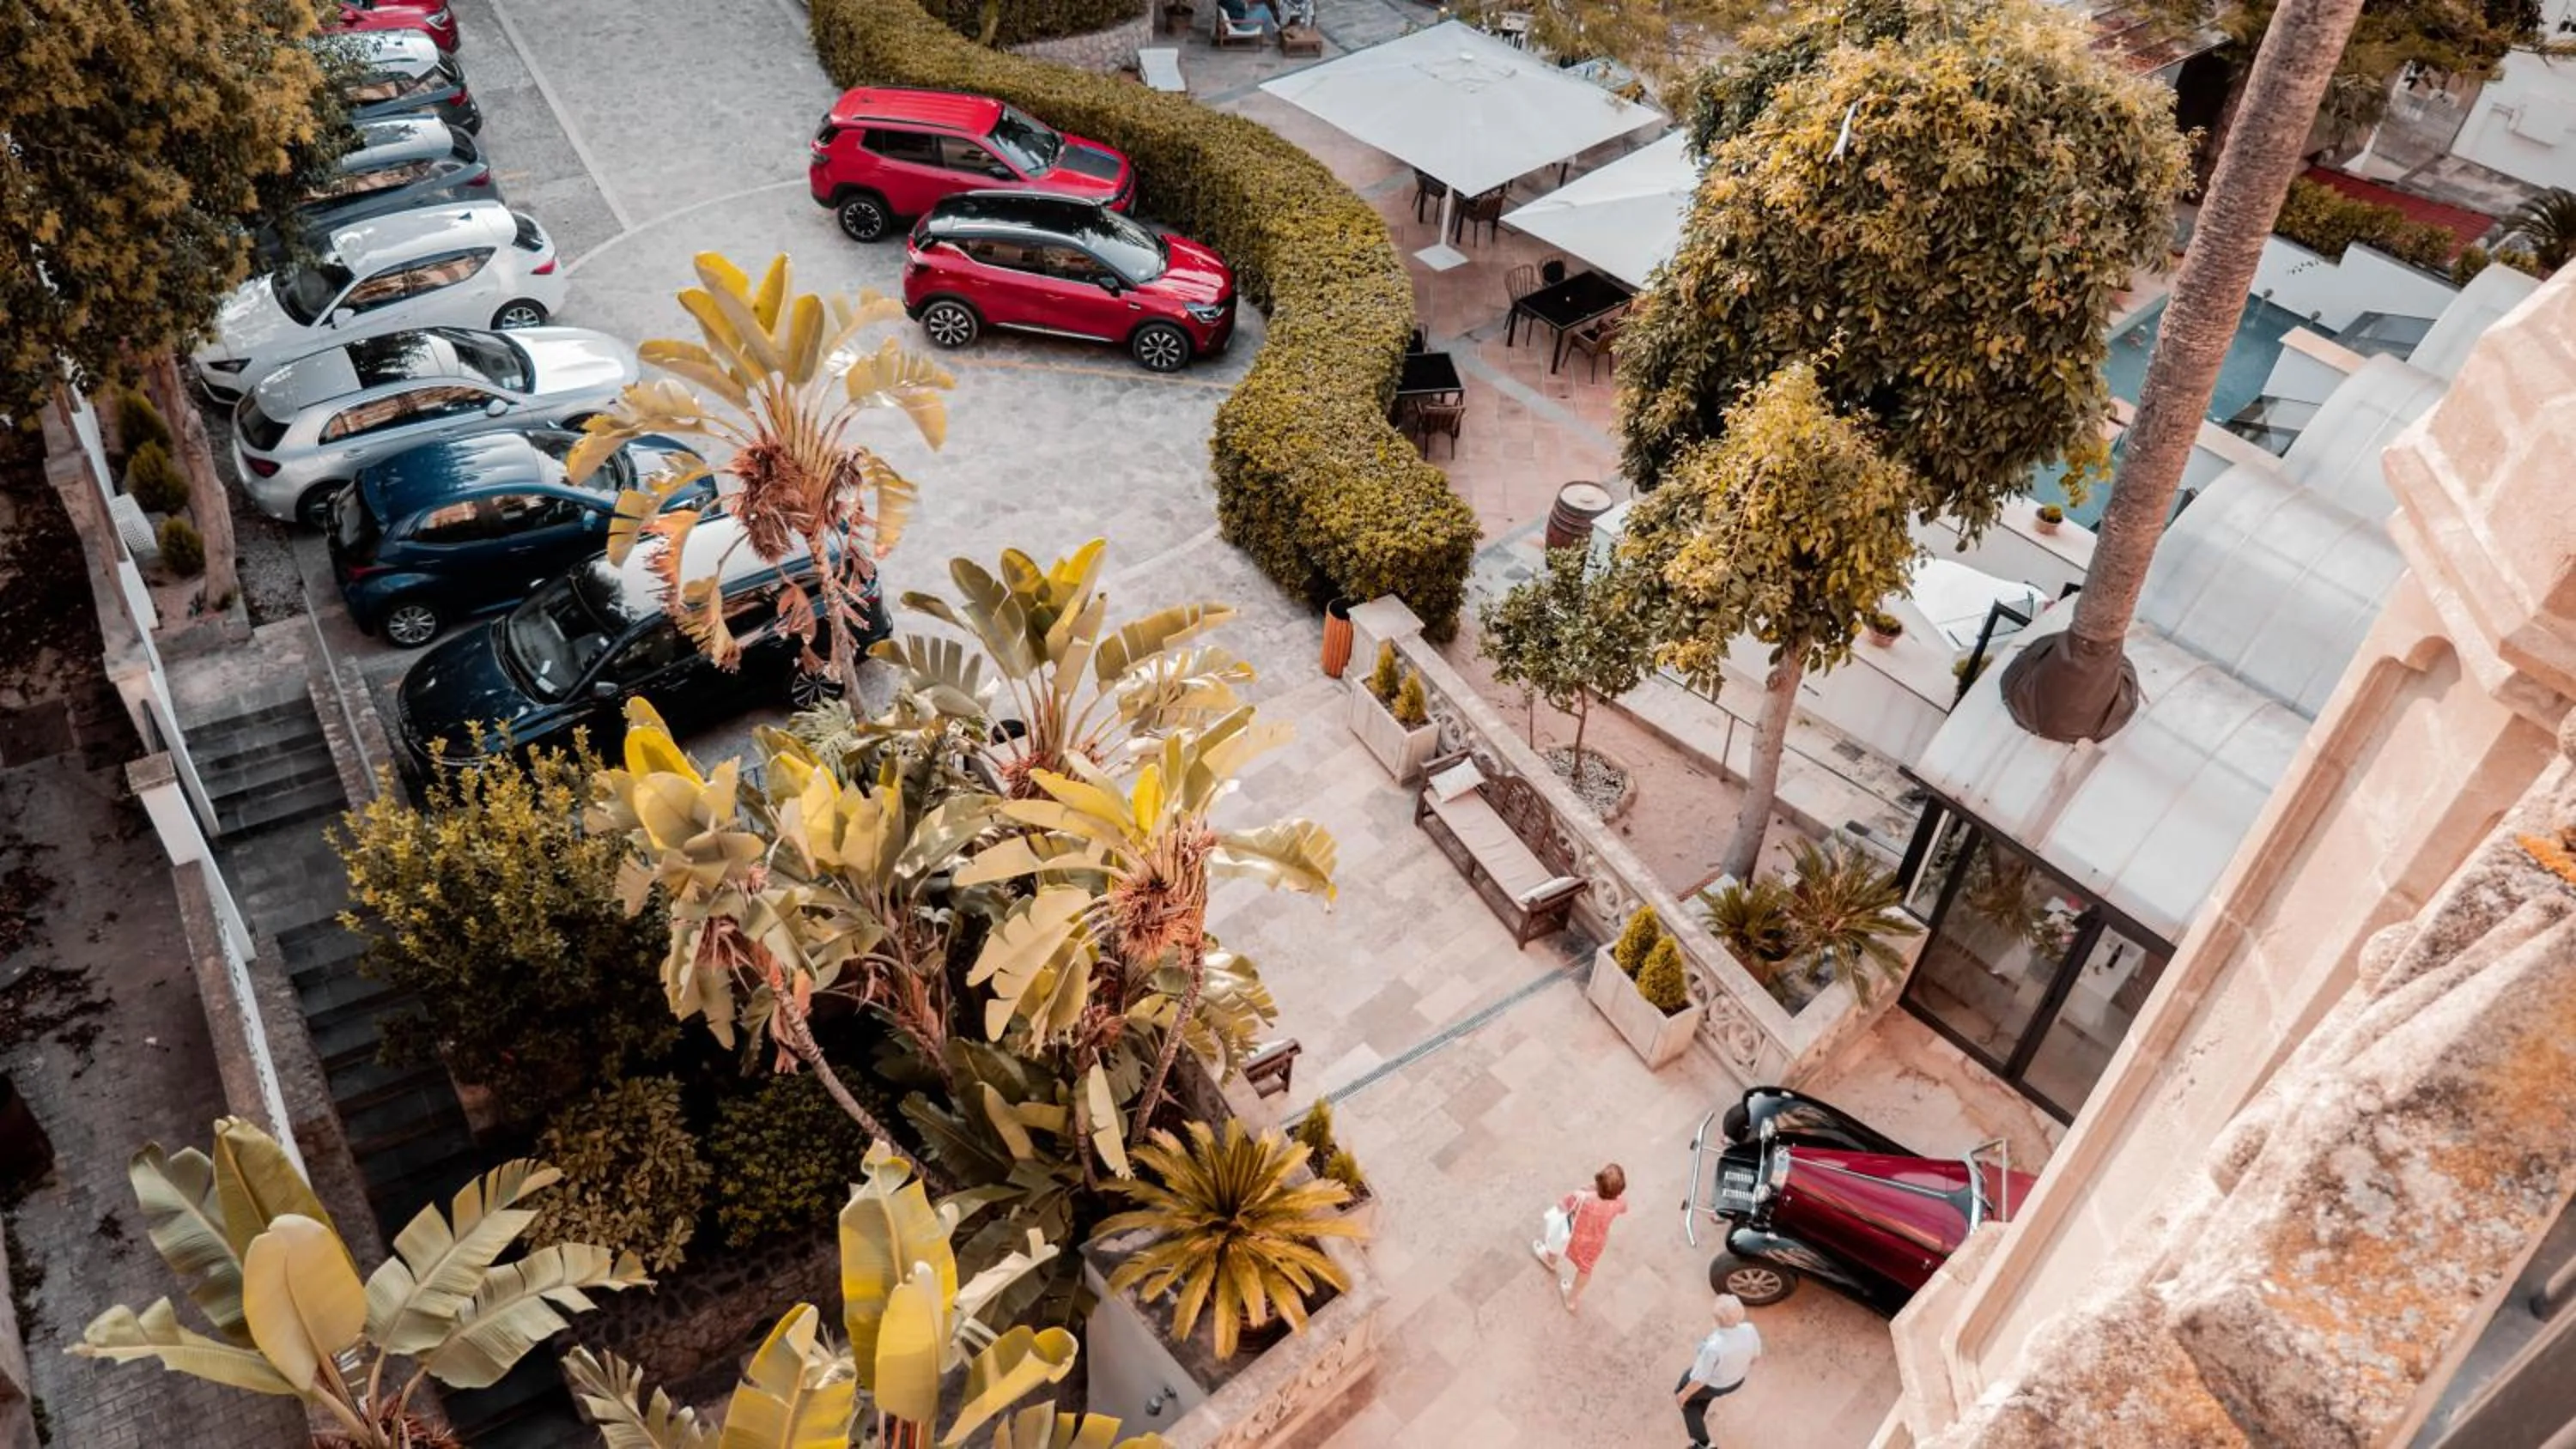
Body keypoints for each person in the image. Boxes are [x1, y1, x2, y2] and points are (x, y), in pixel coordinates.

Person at [1530, 1162, 1628, 1310]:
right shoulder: (1619, 1203)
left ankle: (1550, 1259)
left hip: (1573, 1234)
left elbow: (1563, 1206)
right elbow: (1623, 1209)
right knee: (1585, 1268)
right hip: (1595, 1242)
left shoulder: (1582, 1197)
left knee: (1557, 1240)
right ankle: (1572, 1298)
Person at [1676, 1294, 1762, 1447]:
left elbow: (1699, 1379)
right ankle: (1700, 1407)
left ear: (1717, 1320)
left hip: (1715, 1384)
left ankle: (1703, 1443)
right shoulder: (1749, 1329)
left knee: (1687, 1398)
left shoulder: (1714, 1348)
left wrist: (1683, 1395)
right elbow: (1755, 1358)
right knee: (1701, 1397)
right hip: (1736, 1381)